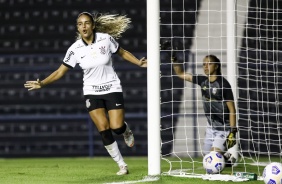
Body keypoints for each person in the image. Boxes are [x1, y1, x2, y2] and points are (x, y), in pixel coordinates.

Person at [24, 12, 147, 175]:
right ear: (78, 27)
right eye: (80, 24)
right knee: (103, 129)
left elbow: (122, 52)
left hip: (111, 87)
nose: (84, 26)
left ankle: (125, 130)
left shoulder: (105, 39)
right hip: (91, 91)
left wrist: (139, 62)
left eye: (87, 23)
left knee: (116, 127)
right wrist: (43, 83)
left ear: (93, 25)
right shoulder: (75, 49)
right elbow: (60, 71)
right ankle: (122, 165)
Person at [167, 49, 237, 164]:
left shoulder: (224, 84)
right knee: (206, 156)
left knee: (213, 157)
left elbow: (232, 109)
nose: (205, 66)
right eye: (204, 64)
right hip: (211, 127)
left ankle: (222, 155)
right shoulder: (202, 81)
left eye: (209, 63)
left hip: (223, 128)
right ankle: (227, 157)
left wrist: (233, 131)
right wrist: (173, 58)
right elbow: (181, 74)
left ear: (217, 66)